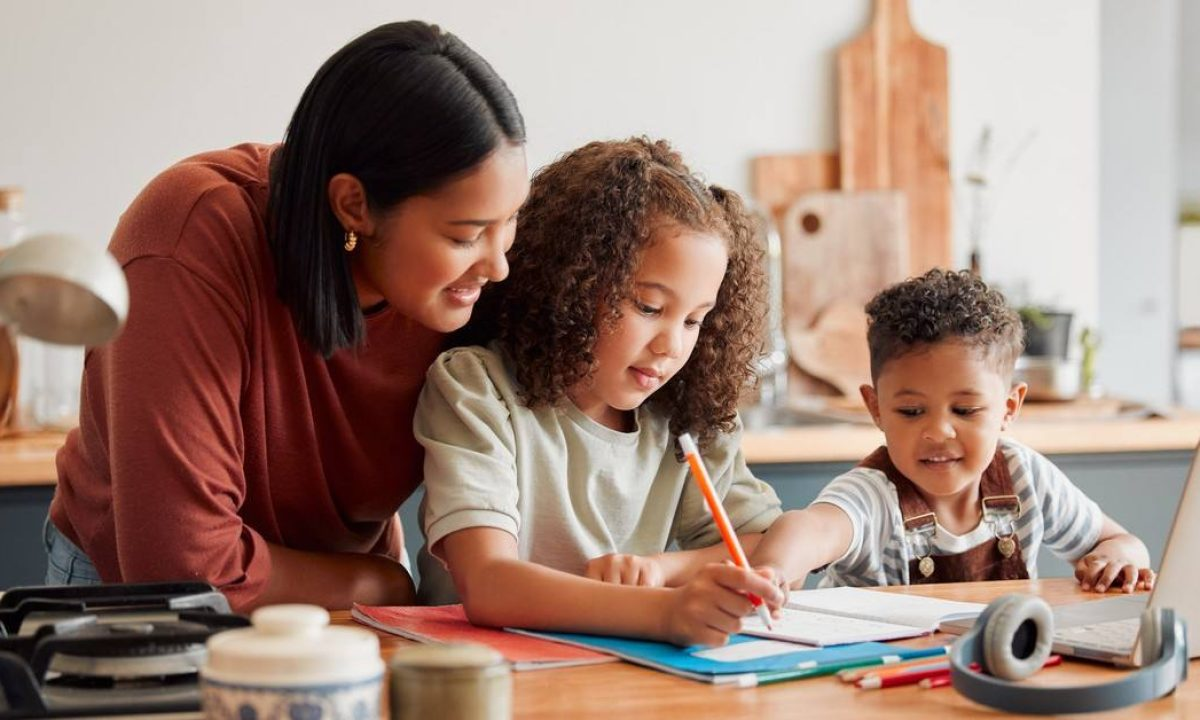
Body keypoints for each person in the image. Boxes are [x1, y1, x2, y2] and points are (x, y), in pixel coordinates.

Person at [44, 21, 530, 611]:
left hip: (346, 586)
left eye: (509, 223)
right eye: (466, 235)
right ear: (354, 205)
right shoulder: (186, 244)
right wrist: (381, 582)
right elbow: (185, 567)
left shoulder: (458, 282)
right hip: (146, 606)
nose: (499, 265)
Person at [414, 137, 806, 647]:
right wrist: (662, 611)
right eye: (648, 307)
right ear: (572, 283)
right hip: (474, 675)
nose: (671, 345)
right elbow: (489, 584)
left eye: (694, 320)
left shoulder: (686, 418)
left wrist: (664, 569)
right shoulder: (478, 389)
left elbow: (771, 544)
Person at [751, 269, 1156, 593]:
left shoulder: (1024, 475)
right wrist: (774, 570)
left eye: (965, 409)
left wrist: (1118, 559)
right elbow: (811, 528)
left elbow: (1120, 541)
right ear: (876, 408)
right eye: (911, 411)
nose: (939, 431)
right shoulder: (872, 496)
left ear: (1008, 408)